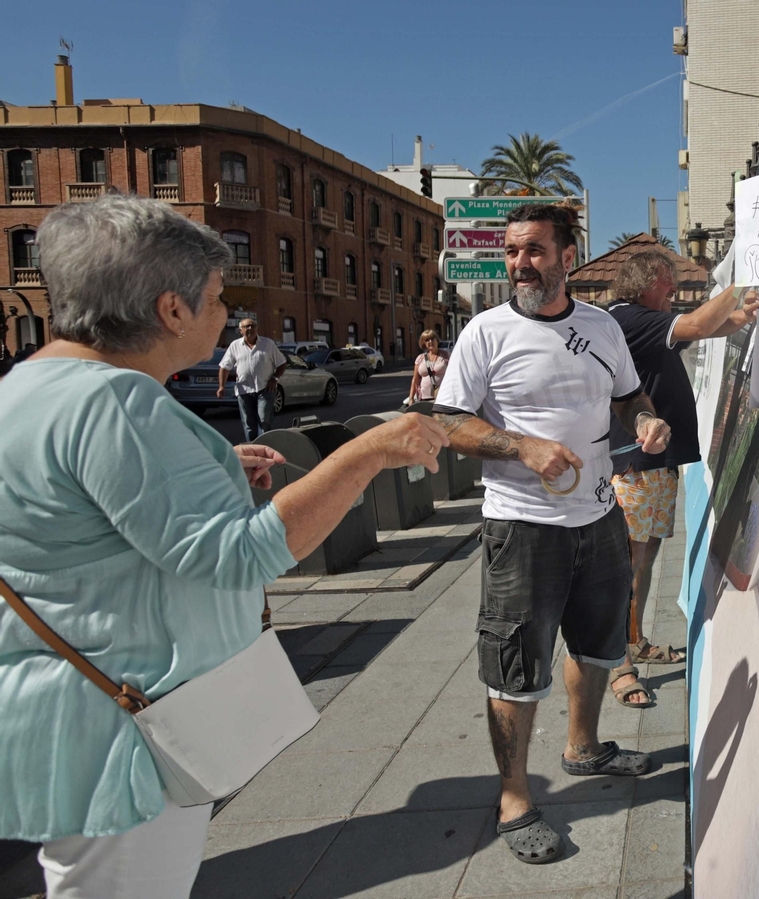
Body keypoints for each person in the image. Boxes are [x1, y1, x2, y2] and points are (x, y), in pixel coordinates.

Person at [0, 194, 449, 899]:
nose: (224, 313)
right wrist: (367, 452)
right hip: (129, 733)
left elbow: (76, 519)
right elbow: (243, 555)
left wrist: (206, 472)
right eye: (214, 297)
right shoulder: (117, 402)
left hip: (71, 720)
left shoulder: (30, 385)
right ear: (170, 309)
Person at [431, 202, 670, 866]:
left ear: (568, 256)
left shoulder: (601, 326)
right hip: (522, 527)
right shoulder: (485, 332)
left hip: (600, 518)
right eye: (512, 251)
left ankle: (584, 747)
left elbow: (628, 396)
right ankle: (513, 799)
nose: (519, 263)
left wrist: (645, 421)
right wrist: (521, 446)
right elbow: (447, 422)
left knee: (597, 644)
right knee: (515, 664)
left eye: (533, 250)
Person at [605, 252, 758, 706]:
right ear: (643, 283)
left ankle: (635, 641)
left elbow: (707, 329)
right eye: (666, 282)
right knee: (627, 564)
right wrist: (742, 277)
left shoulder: (648, 321)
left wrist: (742, 316)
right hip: (634, 464)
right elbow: (695, 324)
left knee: (645, 558)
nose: (673, 289)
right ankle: (620, 664)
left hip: (655, 462)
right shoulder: (627, 317)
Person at [216, 317, 286, 440]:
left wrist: (275, 378)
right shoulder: (235, 345)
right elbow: (225, 367)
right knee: (249, 424)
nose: (250, 328)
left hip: (265, 388)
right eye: (246, 326)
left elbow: (282, 363)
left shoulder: (268, 344)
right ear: (240, 331)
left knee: (264, 420)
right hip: (244, 390)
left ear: (257, 328)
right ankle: (253, 447)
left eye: (252, 326)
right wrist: (221, 386)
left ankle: (264, 445)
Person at [405, 329, 450, 406]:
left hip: (443, 397)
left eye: (432, 339)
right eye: (427, 340)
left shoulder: (446, 355)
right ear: (424, 343)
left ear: (437, 340)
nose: (430, 341)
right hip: (423, 398)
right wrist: (411, 398)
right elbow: (415, 379)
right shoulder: (420, 358)